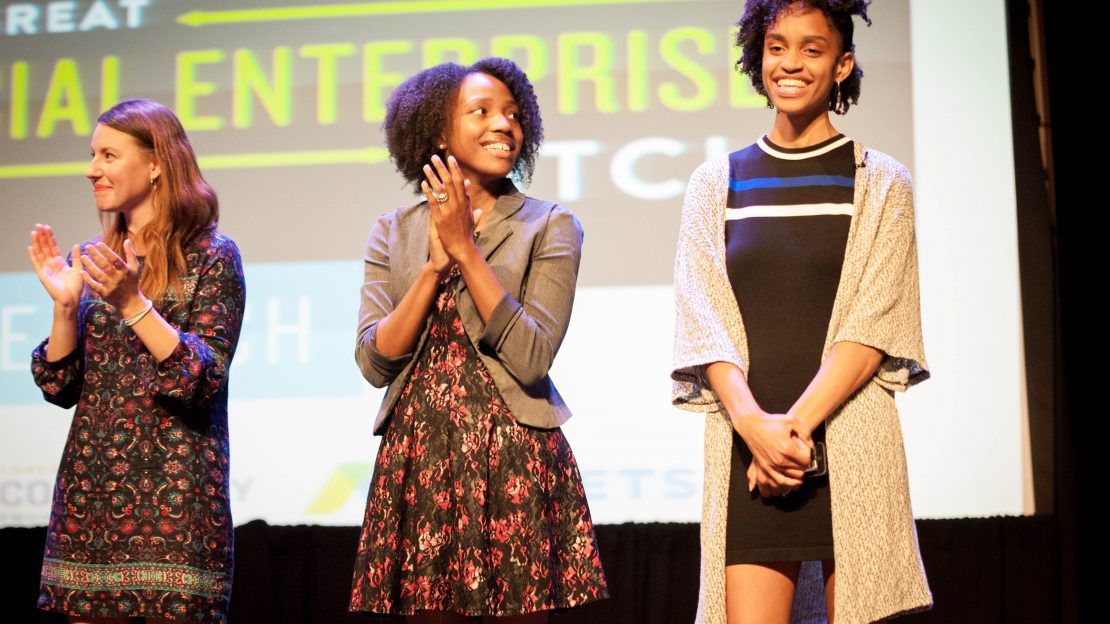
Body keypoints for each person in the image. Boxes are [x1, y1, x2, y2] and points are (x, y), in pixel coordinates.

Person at [671, 1, 931, 622]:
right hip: (748, 448)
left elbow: (874, 323)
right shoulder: (716, 181)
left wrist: (792, 434)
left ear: (842, 65)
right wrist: (757, 429)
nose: (790, 63)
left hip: (848, 440)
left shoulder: (881, 180)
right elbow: (701, 319)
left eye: (812, 50)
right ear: (758, 59)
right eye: (776, 46)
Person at [349, 57, 608, 623]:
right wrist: (430, 269)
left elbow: (533, 356)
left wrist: (466, 251)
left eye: (514, 115)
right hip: (420, 455)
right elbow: (374, 362)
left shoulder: (550, 224)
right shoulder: (393, 231)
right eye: (482, 112)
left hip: (513, 450)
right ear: (438, 132)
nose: (504, 125)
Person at [27, 98, 244, 624]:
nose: (91, 170)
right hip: (92, 498)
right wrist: (63, 308)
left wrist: (133, 303)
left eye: (107, 155)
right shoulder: (92, 260)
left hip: (176, 496)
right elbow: (60, 386)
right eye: (92, 155)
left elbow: (201, 376)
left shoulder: (213, 256)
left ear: (155, 164)